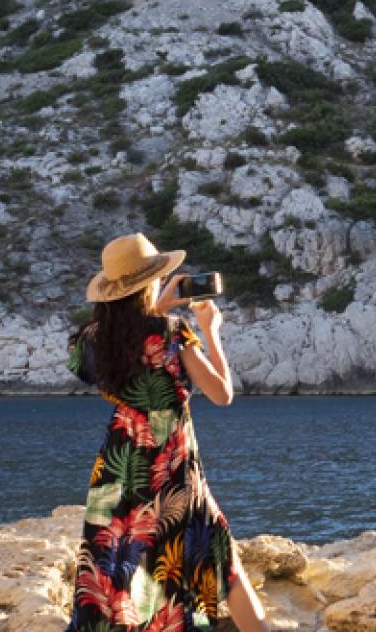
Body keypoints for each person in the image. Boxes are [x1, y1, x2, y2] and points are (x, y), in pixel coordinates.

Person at [66, 233, 268, 632]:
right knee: (220, 561)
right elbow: (221, 394)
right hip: (173, 474)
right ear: (153, 281)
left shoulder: (92, 340)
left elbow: (116, 347)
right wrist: (210, 331)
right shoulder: (174, 332)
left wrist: (151, 310)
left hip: (117, 476)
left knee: (114, 576)